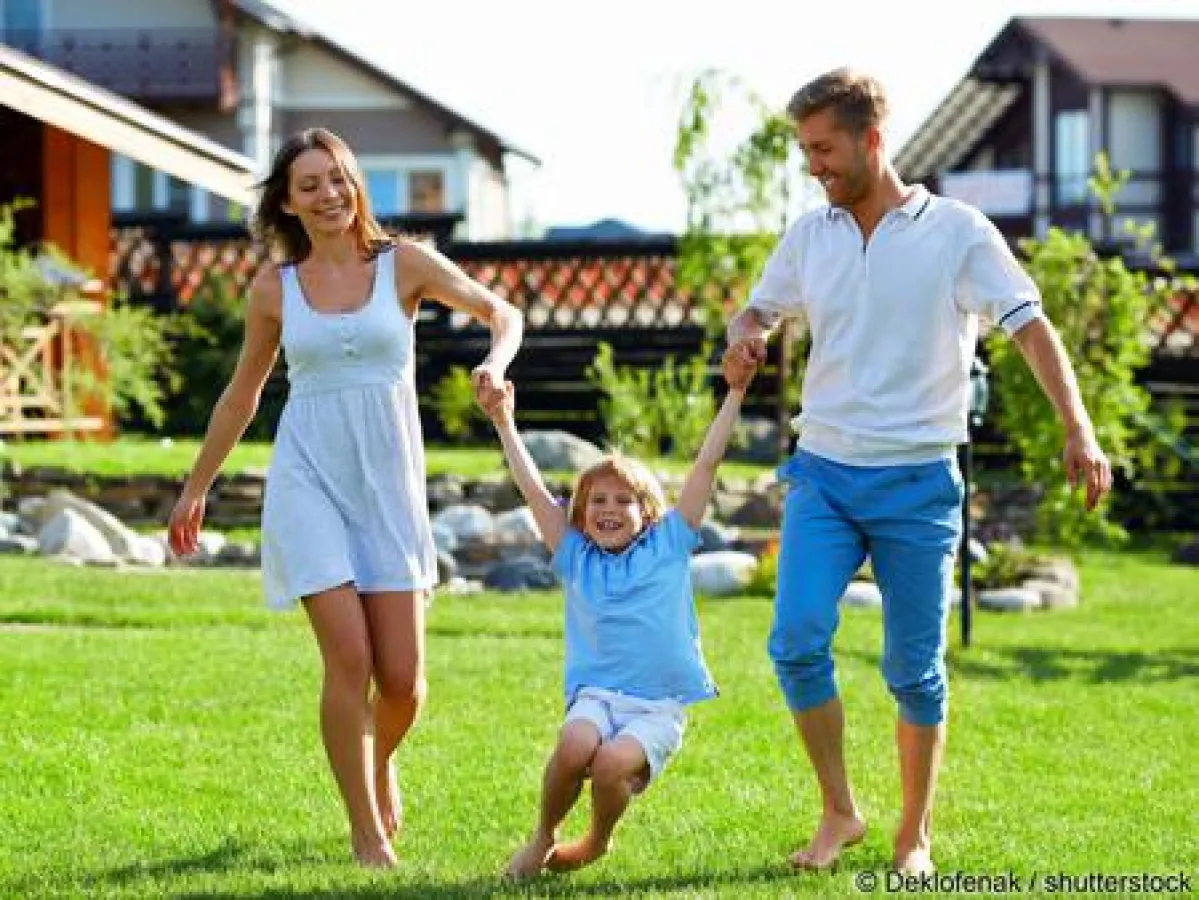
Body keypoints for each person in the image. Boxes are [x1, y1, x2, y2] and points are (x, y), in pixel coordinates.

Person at [723, 68, 1113, 875]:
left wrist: (1077, 425)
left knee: (912, 667)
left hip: (917, 482)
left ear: (871, 140)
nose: (813, 166)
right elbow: (758, 306)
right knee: (794, 639)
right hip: (823, 472)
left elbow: (1031, 329)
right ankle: (839, 812)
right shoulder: (810, 234)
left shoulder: (958, 232)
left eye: (823, 149)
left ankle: (914, 838)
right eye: (805, 151)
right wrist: (746, 330)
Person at [166, 127, 522, 867]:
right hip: (308, 478)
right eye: (309, 186)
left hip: (388, 483)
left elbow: (502, 313)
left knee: (403, 683)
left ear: (354, 183)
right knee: (348, 660)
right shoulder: (275, 288)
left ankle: (377, 757)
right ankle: (365, 837)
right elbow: (242, 395)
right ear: (288, 204)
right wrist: (195, 488)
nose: (327, 195)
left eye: (337, 179)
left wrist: (495, 360)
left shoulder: (406, 263)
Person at [480, 360, 755, 880]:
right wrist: (503, 421)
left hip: (658, 705)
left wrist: (735, 394)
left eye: (623, 501)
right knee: (575, 746)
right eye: (597, 501)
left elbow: (706, 466)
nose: (609, 509)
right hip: (597, 696)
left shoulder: (670, 545)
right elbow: (535, 491)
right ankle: (543, 837)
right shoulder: (574, 555)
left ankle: (596, 842)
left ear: (647, 513)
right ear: (581, 515)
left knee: (609, 766)